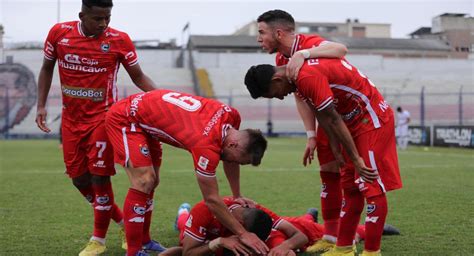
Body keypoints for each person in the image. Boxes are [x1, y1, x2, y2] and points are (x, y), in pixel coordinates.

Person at [35, 0, 160, 255]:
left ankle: (98, 240)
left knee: (99, 176)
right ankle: (123, 222)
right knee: (79, 179)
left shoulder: (119, 40)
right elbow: (47, 68)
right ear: (82, 15)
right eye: (98, 18)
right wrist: (41, 105)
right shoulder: (59, 34)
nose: (104, 23)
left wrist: (164, 99)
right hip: (71, 120)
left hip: (103, 118)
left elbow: (138, 76)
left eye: (108, 17)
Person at [244, 60, 402, 256]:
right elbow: (323, 114)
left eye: (274, 94)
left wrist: (356, 158)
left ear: (277, 79)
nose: (280, 97)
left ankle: (372, 251)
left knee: (370, 184)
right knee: (350, 185)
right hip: (351, 124)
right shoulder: (297, 80)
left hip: (371, 120)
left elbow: (333, 117)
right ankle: (343, 248)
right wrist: (335, 146)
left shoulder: (306, 76)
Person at [105, 89, 269, 256]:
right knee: (144, 181)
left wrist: (237, 195)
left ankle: (145, 241)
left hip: (146, 114)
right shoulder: (206, 146)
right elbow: (211, 200)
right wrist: (243, 234)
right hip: (127, 117)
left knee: (152, 182)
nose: (235, 163)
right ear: (234, 145)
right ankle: (133, 252)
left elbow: (230, 159)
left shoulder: (231, 115)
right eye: (239, 160)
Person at [256, 9, 349, 251]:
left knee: (351, 175)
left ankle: (355, 237)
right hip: (325, 115)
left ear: (278, 33)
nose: (258, 38)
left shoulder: (308, 42)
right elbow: (301, 97)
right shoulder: (280, 61)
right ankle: (330, 237)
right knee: (328, 172)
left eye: (261, 32)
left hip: (347, 114)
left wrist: (304, 54)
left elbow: (341, 49)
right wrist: (311, 135)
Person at [162, 198, 400, 256]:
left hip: (281, 227)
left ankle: (309, 218)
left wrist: (285, 247)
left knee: (306, 230)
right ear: (240, 227)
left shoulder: (257, 213)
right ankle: (181, 213)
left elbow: (293, 237)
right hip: (201, 232)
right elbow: (185, 252)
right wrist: (218, 242)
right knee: (185, 232)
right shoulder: (206, 211)